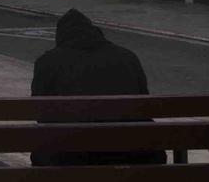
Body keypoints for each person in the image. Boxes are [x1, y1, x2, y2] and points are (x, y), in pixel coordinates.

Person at [29, 9, 164, 167]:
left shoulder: (47, 62)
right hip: (131, 153)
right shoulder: (127, 57)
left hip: (69, 157)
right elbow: (144, 105)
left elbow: (40, 112)